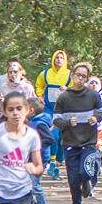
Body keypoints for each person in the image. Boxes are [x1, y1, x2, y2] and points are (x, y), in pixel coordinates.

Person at [52, 62, 102, 204]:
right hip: (70, 143)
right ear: (71, 76)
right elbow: (56, 120)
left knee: (85, 171)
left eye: (84, 76)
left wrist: (95, 118)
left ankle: (87, 182)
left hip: (88, 141)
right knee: (73, 178)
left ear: (87, 79)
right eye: (78, 75)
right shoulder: (64, 98)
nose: (80, 79)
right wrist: (68, 123)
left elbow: (101, 112)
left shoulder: (93, 95)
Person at [35, 50, 70, 179]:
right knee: (53, 135)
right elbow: (39, 85)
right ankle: (52, 160)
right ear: (53, 59)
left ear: (65, 60)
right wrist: (39, 96)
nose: (59, 60)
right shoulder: (45, 73)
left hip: (64, 110)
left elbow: (74, 90)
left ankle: (58, 163)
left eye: (61, 58)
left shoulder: (69, 75)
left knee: (63, 138)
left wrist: (67, 90)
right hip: (49, 109)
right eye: (57, 58)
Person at [26, 97, 55, 204]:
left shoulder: (39, 124)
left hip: (40, 160)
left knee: (35, 185)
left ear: (31, 110)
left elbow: (49, 140)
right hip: (30, 159)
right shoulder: (31, 122)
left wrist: (35, 146)